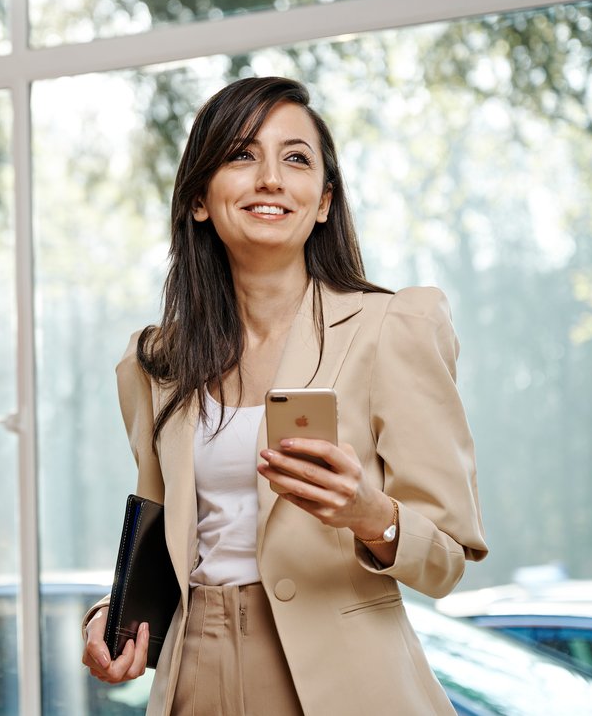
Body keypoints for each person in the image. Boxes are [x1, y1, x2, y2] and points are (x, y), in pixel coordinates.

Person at [80, 76, 488, 714]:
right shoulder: (155, 363)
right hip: (194, 671)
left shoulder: (393, 329)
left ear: (323, 202)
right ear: (199, 201)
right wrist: (111, 618)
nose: (270, 177)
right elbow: (169, 540)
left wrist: (368, 513)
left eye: (295, 158)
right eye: (242, 155)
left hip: (342, 683)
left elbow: (447, 562)